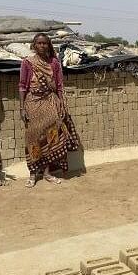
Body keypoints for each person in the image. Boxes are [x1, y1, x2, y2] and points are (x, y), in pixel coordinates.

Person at [19, 33, 81, 188]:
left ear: (49, 45)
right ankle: (33, 173)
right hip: (32, 102)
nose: (42, 46)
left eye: (45, 43)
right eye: (39, 43)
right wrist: (22, 107)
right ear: (34, 45)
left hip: (50, 102)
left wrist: (62, 104)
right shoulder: (27, 63)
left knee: (50, 138)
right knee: (32, 138)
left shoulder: (54, 63)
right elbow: (22, 86)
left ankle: (47, 173)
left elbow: (59, 86)